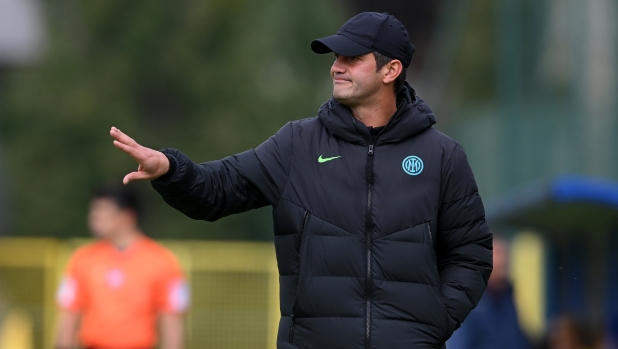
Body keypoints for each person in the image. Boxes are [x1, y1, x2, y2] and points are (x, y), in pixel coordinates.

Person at [110, 12, 492, 349]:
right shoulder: (297, 143)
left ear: (390, 70)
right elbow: (218, 190)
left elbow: (472, 254)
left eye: (352, 58)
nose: (336, 67)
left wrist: (431, 324)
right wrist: (172, 170)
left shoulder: (442, 156)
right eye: (336, 57)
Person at [55, 184, 189, 349]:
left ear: (127, 216)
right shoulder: (81, 259)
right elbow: (68, 318)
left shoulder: (163, 262)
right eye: (94, 210)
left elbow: (172, 325)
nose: (94, 216)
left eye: (103, 209)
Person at [446, 237, 529, 349]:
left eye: (506, 253)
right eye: (498, 254)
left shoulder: (507, 298)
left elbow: (517, 340)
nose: (503, 260)